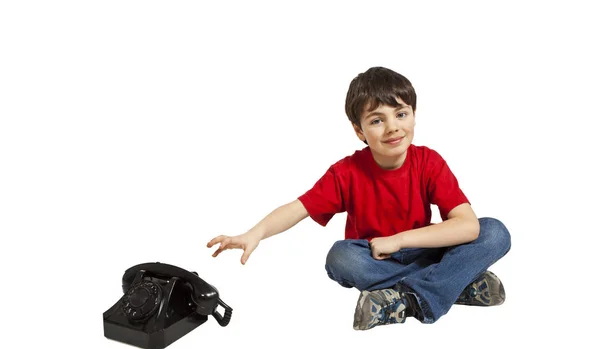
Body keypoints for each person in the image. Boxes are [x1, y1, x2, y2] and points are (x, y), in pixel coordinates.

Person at [207, 66, 511, 330]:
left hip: (423, 248)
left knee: (494, 232)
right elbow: (297, 208)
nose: (393, 126)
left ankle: (407, 299)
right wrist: (254, 233)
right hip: (375, 257)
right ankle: (453, 283)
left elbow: (468, 227)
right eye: (377, 120)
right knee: (340, 258)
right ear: (359, 130)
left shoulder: (429, 162)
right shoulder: (347, 172)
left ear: (414, 117)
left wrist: (401, 240)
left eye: (401, 114)